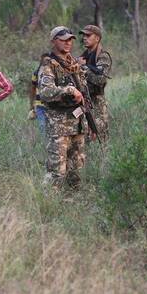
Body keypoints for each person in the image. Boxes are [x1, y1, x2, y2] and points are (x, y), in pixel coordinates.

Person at [38, 26, 90, 189]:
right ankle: (45, 204)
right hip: (59, 126)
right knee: (57, 172)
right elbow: (45, 92)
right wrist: (68, 90)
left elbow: (84, 91)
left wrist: (89, 121)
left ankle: (73, 204)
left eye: (70, 40)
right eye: (63, 40)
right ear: (54, 41)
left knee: (77, 172)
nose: (68, 43)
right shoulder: (48, 64)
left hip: (78, 124)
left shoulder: (74, 63)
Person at [78, 25, 112, 143]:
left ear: (97, 38)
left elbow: (101, 79)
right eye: (83, 35)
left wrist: (83, 67)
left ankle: (103, 161)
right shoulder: (83, 56)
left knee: (100, 138)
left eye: (88, 35)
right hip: (84, 102)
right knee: (85, 138)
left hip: (97, 102)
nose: (84, 38)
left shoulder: (102, 56)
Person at [29, 54, 49, 136]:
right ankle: (44, 146)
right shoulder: (36, 73)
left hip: (51, 106)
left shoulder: (55, 72)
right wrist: (31, 105)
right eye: (45, 60)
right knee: (42, 127)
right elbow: (33, 88)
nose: (46, 62)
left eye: (48, 60)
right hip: (40, 105)